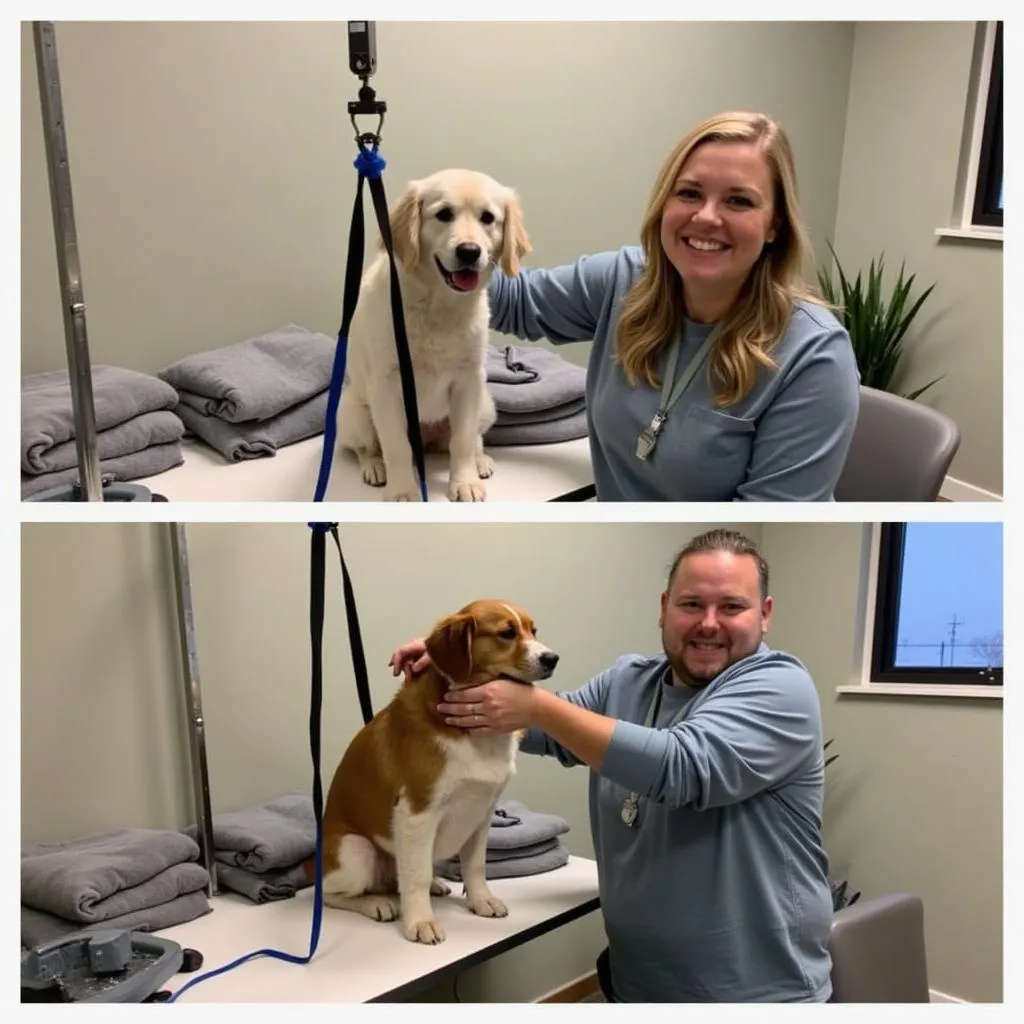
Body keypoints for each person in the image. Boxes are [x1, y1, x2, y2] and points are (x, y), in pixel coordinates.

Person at [389, 528, 834, 1002]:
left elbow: (683, 766)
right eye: (690, 605)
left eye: (731, 606)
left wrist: (536, 707)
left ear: (764, 615)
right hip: (635, 985)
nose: (708, 623)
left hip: (756, 996)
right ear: (664, 606)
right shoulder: (629, 680)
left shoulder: (780, 687)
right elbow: (543, 731)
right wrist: (457, 662)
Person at [488, 110, 860, 501]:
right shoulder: (624, 280)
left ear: (774, 225)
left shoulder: (814, 357)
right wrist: (437, 246)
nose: (706, 217)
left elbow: (761, 521)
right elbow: (514, 302)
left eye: (738, 201)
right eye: (689, 193)